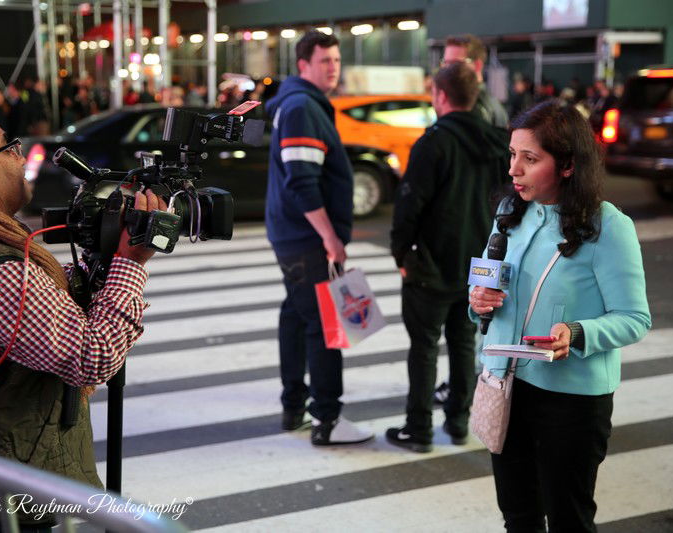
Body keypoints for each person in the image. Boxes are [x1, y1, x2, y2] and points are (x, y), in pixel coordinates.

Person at [0, 98, 162, 531]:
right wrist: (131, 262)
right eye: (9, 149)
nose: (19, 158)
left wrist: (100, 263)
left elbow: (37, 309)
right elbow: (92, 356)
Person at [469, 100, 651, 531]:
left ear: (567, 165)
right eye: (512, 155)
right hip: (507, 386)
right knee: (518, 516)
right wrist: (477, 300)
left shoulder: (608, 226)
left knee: (569, 519)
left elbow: (634, 317)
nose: (514, 170)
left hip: (571, 403)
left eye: (530, 159)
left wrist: (577, 332)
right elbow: (484, 286)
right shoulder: (509, 214)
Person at [386, 63, 509, 453]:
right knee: (463, 340)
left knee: (423, 347)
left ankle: (418, 428)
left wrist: (401, 252)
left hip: (432, 265)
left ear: (440, 96)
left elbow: (410, 205)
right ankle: (458, 421)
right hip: (481, 265)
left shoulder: (433, 142)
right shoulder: (498, 142)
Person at [265, 30, 373, 446]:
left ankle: (294, 405)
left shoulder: (299, 104)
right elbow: (303, 183)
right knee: (326, 325)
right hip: (307, 238)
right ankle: (327, 418)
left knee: (296, 314)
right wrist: (331, 238)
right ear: (303, 65)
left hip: (292, 234)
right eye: (324, 61)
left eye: (336, 60)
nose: (333, 68)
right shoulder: (301, 108)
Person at [443, 34, 509, 129]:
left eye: (455, 64)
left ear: (477, 65)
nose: (447, 69)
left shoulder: (473, 107)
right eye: (445, 63)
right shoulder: (490, 103)